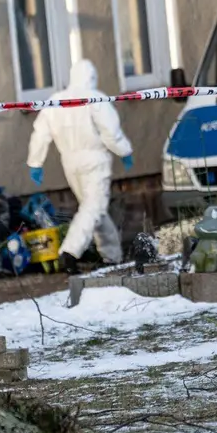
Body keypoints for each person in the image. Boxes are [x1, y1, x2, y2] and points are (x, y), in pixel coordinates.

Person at [26, 60, 132, 274]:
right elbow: (110, 132)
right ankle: (70, 252)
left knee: (94, 209)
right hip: (95, 160)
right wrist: (125, 151)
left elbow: (40, 134)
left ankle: (112, 255)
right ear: (92, 77)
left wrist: (35, 162)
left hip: (70, 163)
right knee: (93, 208)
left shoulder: (55, 101)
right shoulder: (95, 98)